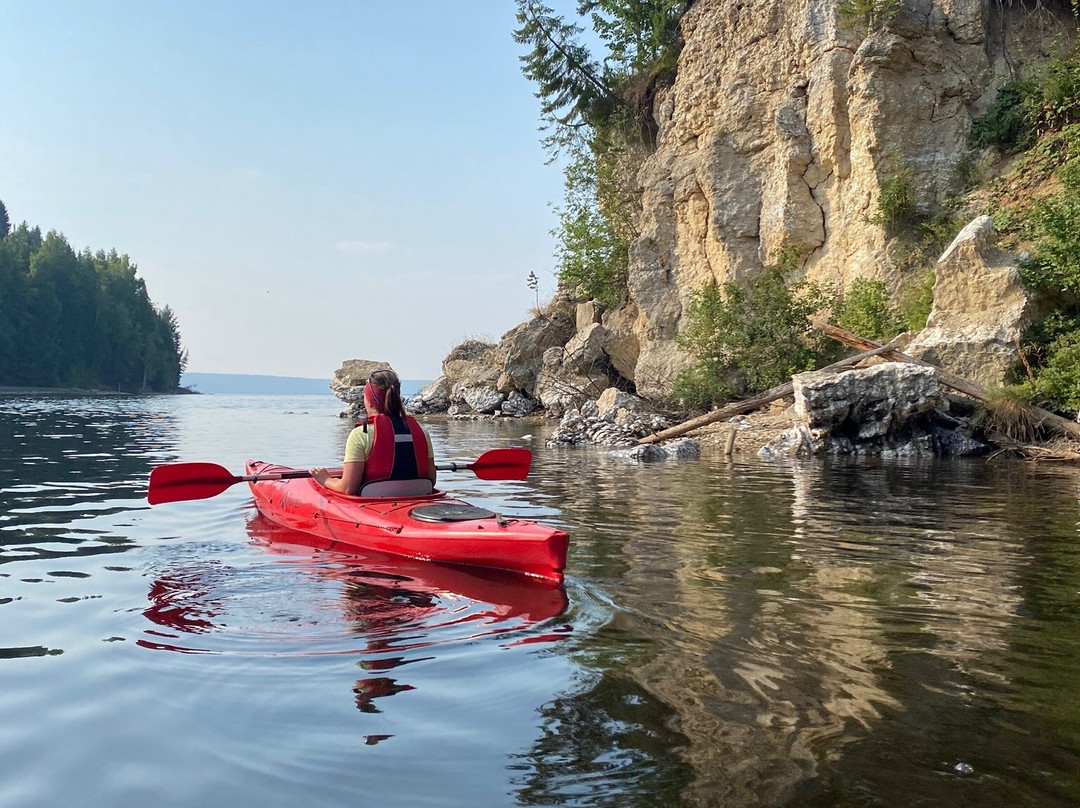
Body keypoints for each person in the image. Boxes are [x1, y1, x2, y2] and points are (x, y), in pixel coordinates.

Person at [310, 368, 437, 496]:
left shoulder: (361, 434)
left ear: (369, 402)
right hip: (418, 499)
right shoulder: (422, 433)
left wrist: (326, 480)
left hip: (376, 502)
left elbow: (348, 488)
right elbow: (431, 480)